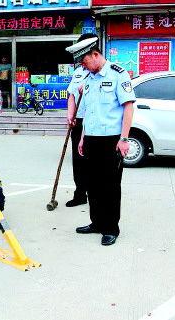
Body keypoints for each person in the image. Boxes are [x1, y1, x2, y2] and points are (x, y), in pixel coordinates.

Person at [66, 33, 136, 246]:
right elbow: (89, 112)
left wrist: (124, 138)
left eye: (85, 61)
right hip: (91, 139)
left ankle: (110, 228)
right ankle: (96, 222)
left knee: (110, 186)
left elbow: (128, 107)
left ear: (95, 55)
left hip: (111, 139)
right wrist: (82, 138)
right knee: (93, 184)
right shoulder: (88, 78)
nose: (83, 66)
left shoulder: (118, 74)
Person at [65, 65, 90, 207]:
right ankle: (80, 194)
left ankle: (95, 193)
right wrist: (70, 115)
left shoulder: (101, 72)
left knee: (91, 160)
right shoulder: (78, 72)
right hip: (78, 121)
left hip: (94, 122)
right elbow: (72, 95)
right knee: (78, 160)